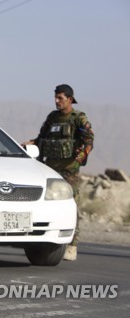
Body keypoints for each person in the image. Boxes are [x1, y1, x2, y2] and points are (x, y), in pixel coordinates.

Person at [23, 84, 94, 261]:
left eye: (60, 98)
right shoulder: (52, 118)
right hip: (49, 170)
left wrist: (81, 156)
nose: (56, 101)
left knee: (72, 206)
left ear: (70, 99)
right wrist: (28, 144)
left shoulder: (78, 118)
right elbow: (41, 139)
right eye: (55, 97)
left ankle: (72, 246)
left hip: (69, 171)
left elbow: (89, 140)